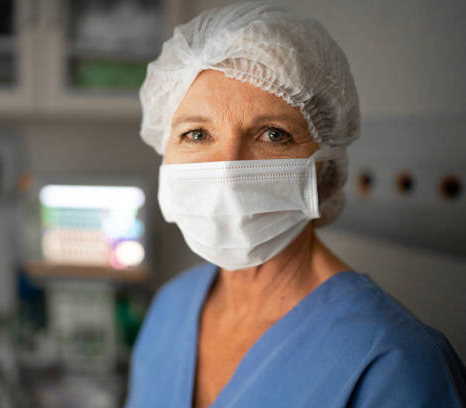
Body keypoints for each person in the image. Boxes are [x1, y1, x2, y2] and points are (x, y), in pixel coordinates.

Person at [124, 2, 466, 408]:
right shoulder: (169, 310)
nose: (228, 171)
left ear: (323, 167)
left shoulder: (396, 362)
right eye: (197, 134)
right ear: (164, 150)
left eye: (273, 135)